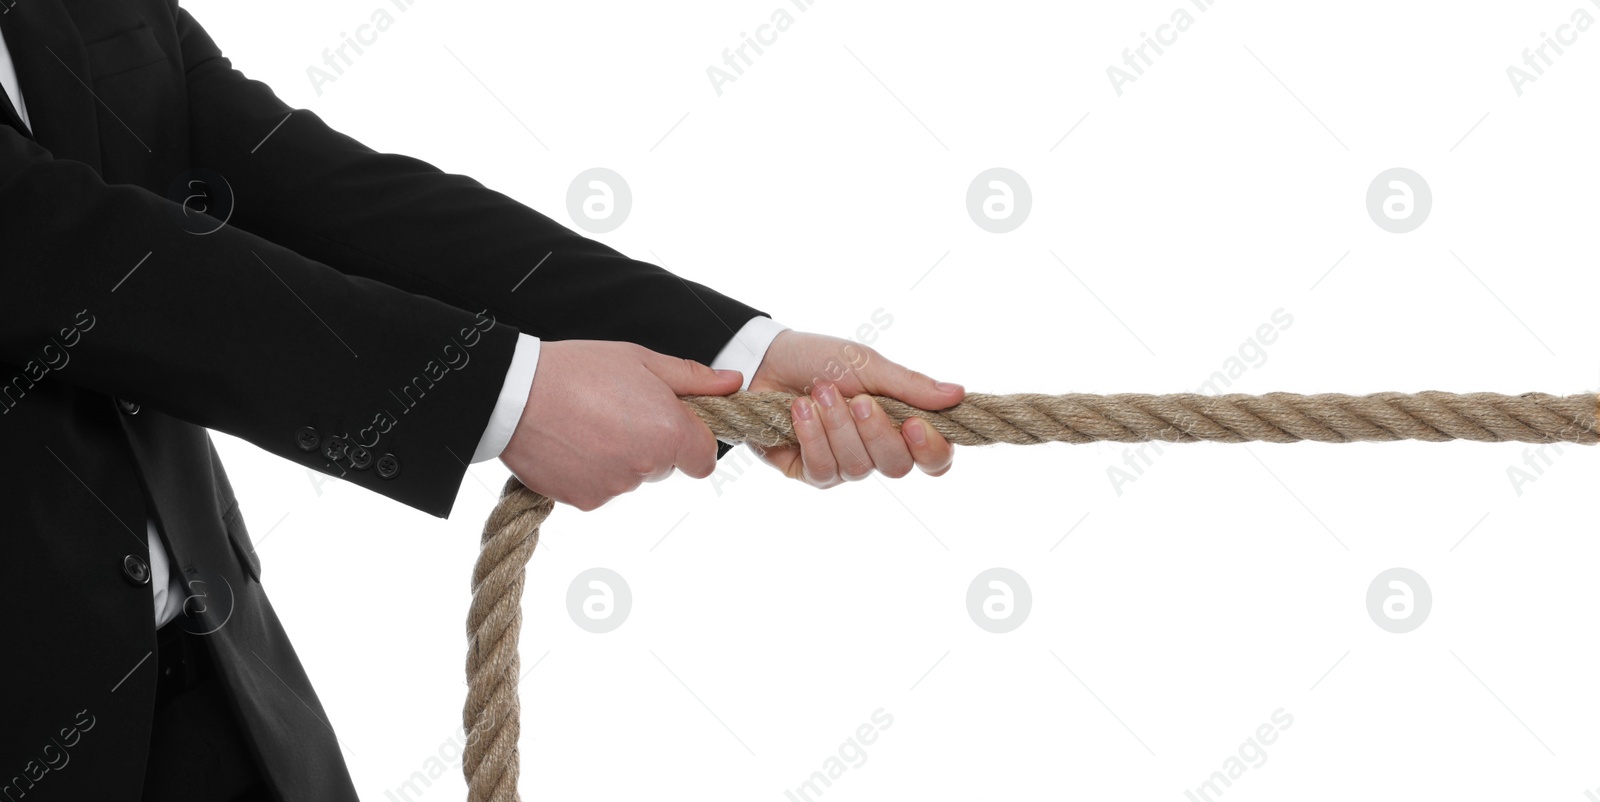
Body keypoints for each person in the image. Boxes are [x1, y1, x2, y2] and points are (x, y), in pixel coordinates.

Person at [0, 2, 962, 799]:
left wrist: (740, 356)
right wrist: (506, 392)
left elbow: (283, 179)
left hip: (218, 695)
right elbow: (61, 248)